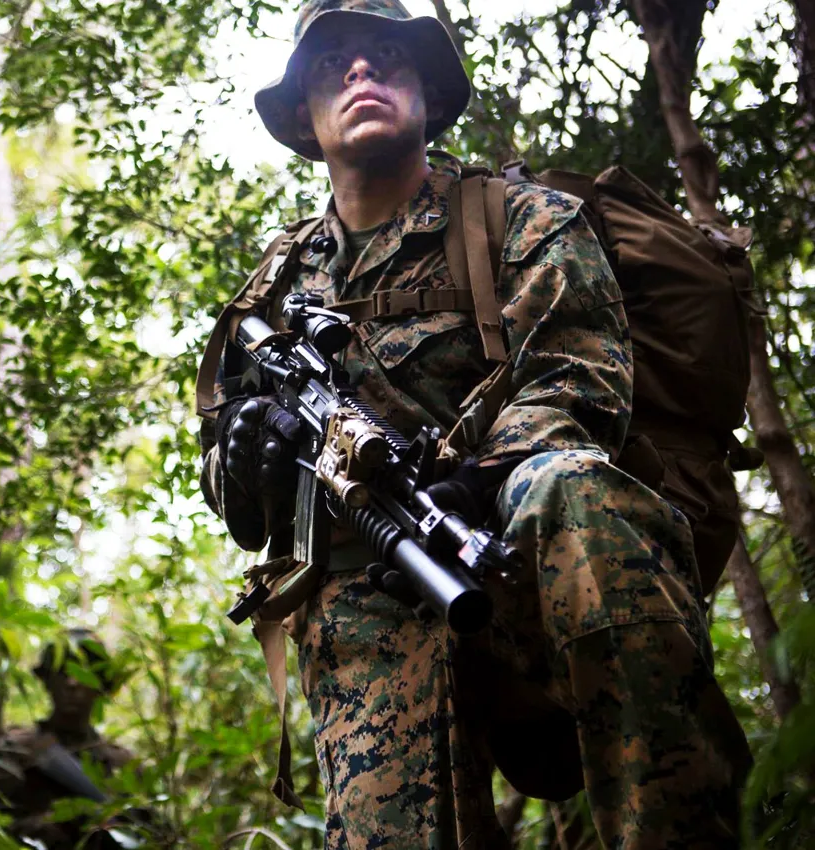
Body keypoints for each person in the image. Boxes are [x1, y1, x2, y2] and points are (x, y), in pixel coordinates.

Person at [197, 1, 752, 847]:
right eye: (333, 63)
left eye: (387, 55)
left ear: (428, 92)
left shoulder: (522, 218)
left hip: (525, 558)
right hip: (367, 610)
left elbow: (580, 378)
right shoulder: (273, 293)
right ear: (304, 117)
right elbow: (226, 488)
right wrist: (241, 458)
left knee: (574, 487)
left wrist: (477, 480)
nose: (361, 72)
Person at [0, 630, 135, 849]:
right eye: (63, 671)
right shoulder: (14, 751)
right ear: (46, 680)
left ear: (101, 685)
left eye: (82, 672)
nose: (72, 682)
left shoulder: (124, 765)